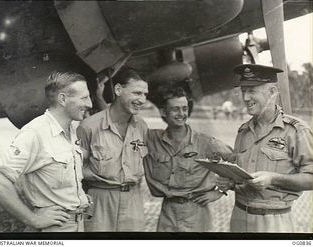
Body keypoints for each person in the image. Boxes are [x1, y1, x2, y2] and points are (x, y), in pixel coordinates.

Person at [216, 64, 313, 232]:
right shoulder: (244, 130)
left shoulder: (296, 131)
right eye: (243, 91)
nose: (245, 98)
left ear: (272, 92)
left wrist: (274, 178)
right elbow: (244, 177)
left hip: (274, 221)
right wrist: (230, 182)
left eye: (252, 90)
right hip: (239, 216)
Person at [0, 71, 93, 232]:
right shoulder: (35, 133)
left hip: (77, 224)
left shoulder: (71, 130)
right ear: (62, 99)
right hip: (54, 230)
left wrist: (78, 198)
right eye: (84, 98)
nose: (89, 104)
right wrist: (34, 219)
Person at [143, 86, 232, 232]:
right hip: (168, 211)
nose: (181, 114)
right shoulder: (152, 139)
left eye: (184, 108)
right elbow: (125, 129)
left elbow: (238, 161)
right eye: (175, 109)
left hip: (196, 212)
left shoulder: (206, 142)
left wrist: (221, 191)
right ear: (163, 111)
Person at [77, 67, 149, 231]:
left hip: (133, 201)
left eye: (145, 94)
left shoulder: (142, 126)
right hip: (99, 201)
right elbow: (75, 170)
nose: (142, 100)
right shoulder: (89, 127)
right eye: (137, 93)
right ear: (118, 89)